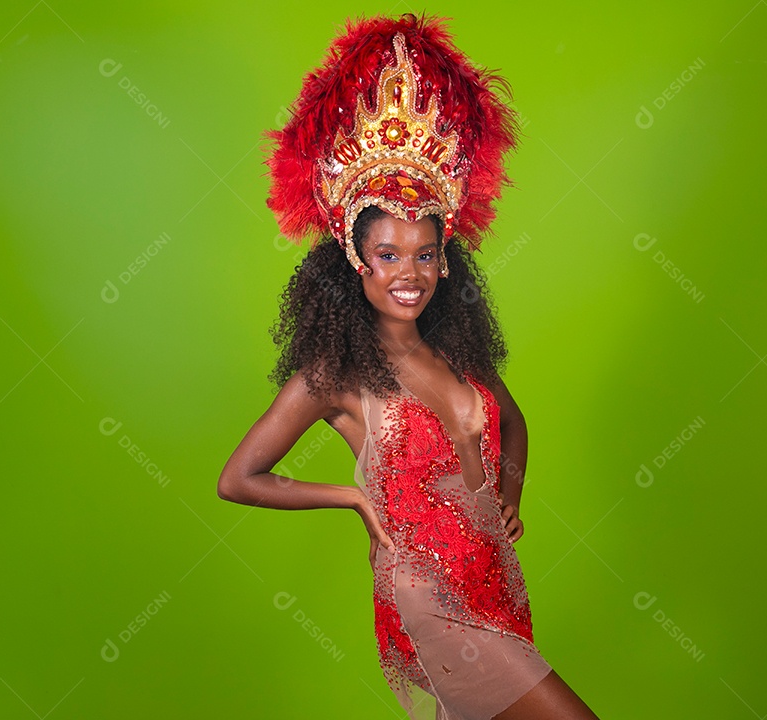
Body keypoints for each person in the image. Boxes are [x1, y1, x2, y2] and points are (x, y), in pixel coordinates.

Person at [218, 13, 601, 720]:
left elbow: (511, 424)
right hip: (427, 594)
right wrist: (355, 499)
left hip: (495, 580)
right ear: (356, 262)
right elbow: (239, 479)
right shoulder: (333, 375)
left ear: (445, 259)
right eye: (389, 255)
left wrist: (509, 496)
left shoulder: (459, 353)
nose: (409, 274)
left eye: (424, 254)